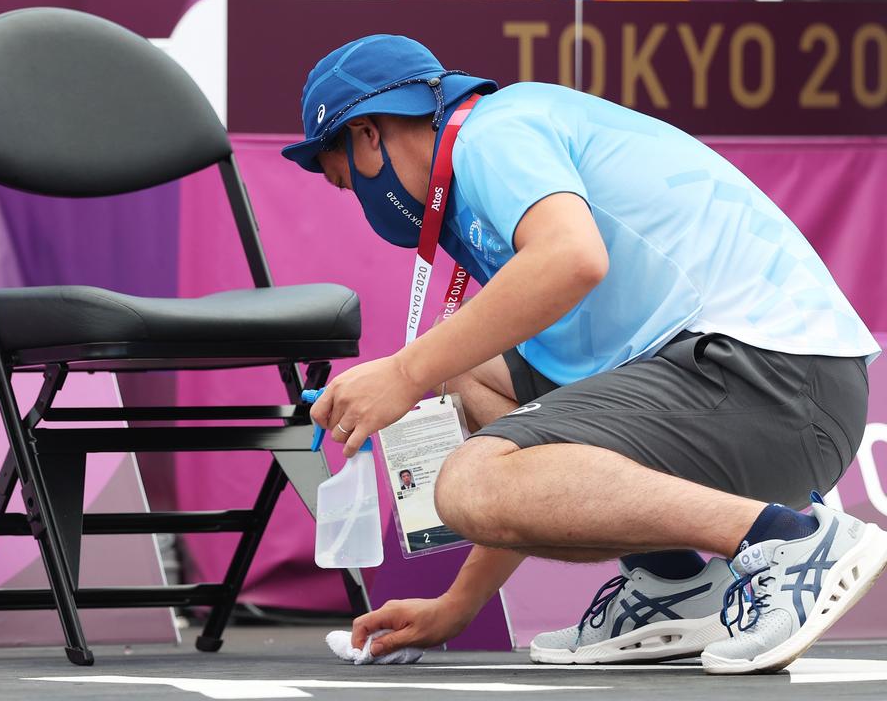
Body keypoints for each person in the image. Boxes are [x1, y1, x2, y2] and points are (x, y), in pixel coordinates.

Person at [281, 34, 886, 674]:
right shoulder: (499, 160)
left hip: (773, 382)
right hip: (753, 382)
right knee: (468, 370)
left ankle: (788, 542)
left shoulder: (494, 133)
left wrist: (404, 372)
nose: (357, 199)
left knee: (468, 481)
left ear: (368, 135)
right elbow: (538, 447)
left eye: (346, 180)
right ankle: (669, 586)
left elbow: (573, 258)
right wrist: (457, 606)